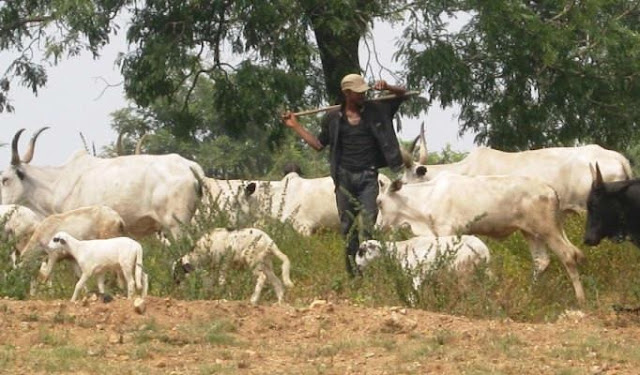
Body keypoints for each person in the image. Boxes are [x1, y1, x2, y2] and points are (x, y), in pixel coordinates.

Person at [282, 73, 408, 276]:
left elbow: (402, 95)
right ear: (347, 94)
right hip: (344, 179)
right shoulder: (333, 118)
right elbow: (318, 145)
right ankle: (353, 275)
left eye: (364, 91)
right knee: (348, 229)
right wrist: (296, 126)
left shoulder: (376, 110)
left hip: (368, 177)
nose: (363, 95)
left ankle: (371, 271)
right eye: (358, 93)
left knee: (369, 225)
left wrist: (389, 87)